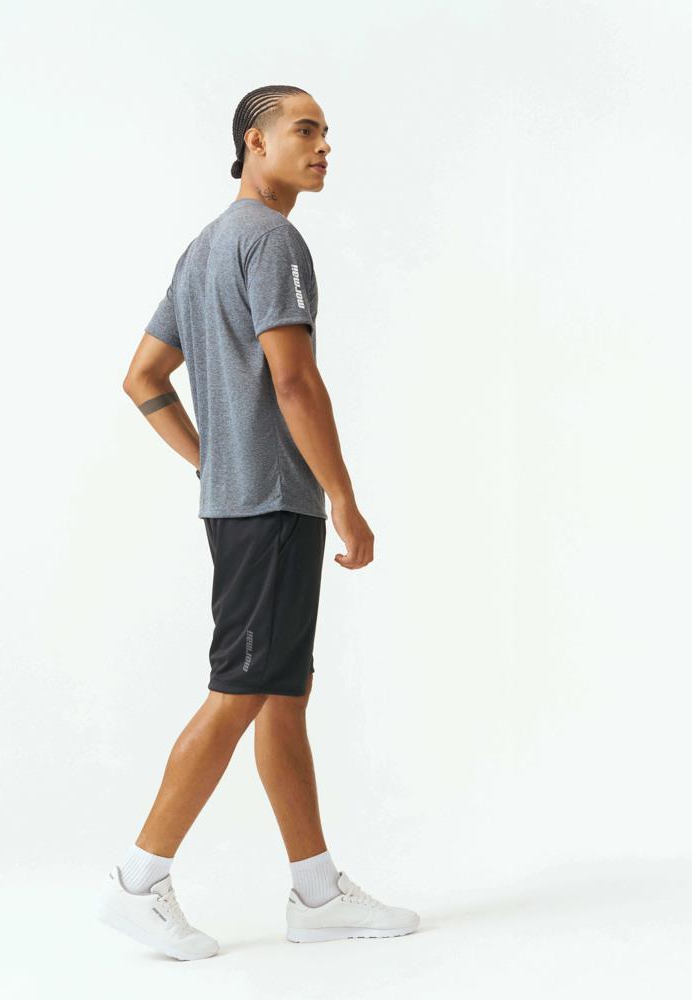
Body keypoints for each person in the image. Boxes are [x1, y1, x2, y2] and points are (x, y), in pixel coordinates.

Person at [96, 85, 420, 960]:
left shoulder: (205, 247)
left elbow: (143, 378)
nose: (323, 147)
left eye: (327, 134)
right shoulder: (272, 240)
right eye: (305, 130)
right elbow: (294, 380)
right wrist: (342, 496)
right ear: (255, 142)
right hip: (274, 503)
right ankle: (137, 881)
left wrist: (209, 460)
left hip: (241, 503)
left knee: (281, 696)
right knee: (241, 690)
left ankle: (316, 893)